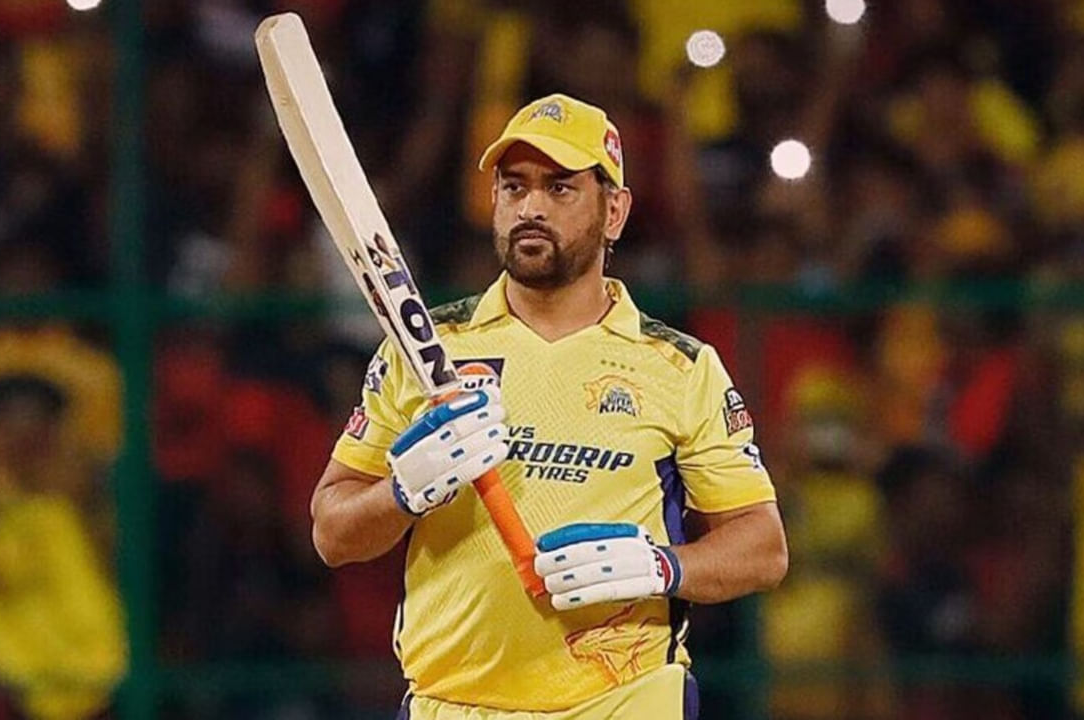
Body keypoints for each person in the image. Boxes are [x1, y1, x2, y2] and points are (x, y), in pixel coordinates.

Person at [312, 93, 788, 719]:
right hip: (453, 704)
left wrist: (661, 567)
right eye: (514, 187)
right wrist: (402, 491)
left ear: (614, 211)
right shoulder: (427, 350)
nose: (531, 208)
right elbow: (332, 533)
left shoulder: (679, 366)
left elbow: (764, 548)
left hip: (623, 701)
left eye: (560, 188)